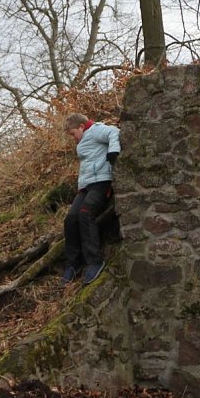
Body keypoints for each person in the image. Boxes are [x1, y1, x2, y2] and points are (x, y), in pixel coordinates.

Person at [62, 112, 120, 286]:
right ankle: (73, 264)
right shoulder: (83, 139)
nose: (73, 138)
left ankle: (95, 261)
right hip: (86, 186)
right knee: (70, 219)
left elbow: (114, 132)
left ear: (81, 126)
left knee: (85, 213)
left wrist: (113, 151)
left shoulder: (95, 130)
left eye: (73, 134)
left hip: (101, 182)